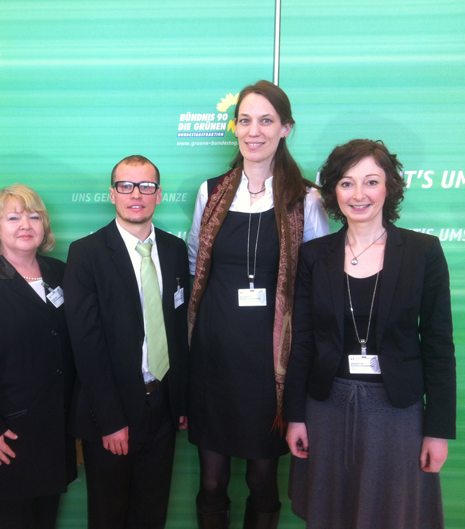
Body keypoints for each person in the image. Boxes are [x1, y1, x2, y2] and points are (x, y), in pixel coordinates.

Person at [283, 139, 456, 529]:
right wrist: (295, 417)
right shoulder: (315, 255)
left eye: (371, 182)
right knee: (330, 514)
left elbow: (438, 346)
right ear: (334, 192)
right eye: (347, 183)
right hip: (326, 408)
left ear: (389, 187)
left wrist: (437, 431)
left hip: (398, 414)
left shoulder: (423, 251)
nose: (358, 194)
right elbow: (303, 341)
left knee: (392, 514)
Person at [186, 80, 329, 529]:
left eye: (266, 120)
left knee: (263, 480)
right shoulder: (211, 192)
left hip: (271, 367)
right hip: (212, 359)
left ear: (285, 128)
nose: (254, 131)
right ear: (235, 127)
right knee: (211, 481)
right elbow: (194, 263)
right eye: (245, 120)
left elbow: (317, 280)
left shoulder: (306, 198)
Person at [64, 155, 190, 529]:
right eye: (126, 186)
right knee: (109, 515)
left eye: (146, 186)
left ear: (159, 195)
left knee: (152, 514)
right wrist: (110, 420)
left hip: (164, 405)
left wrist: (180, 400)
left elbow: (178, 329)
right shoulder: (86, 253)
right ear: (113, 194)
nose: (136, 194)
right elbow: (86, 346)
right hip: (113, 409)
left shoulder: (174, 249)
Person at [0, 184, 77, 529]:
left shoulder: (61, 273)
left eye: (34, 217)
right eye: (14, 217)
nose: (25, 225)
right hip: (5, 436)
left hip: (54, 432)